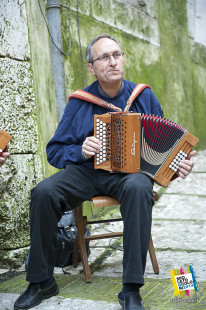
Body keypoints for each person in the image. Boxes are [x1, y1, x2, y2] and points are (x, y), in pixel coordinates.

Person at [14, 34, 196, 310]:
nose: (113, 62)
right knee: (43, 192)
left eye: (117, 55)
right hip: (86, 172)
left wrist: (177, 165)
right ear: (91, 66)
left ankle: (131, 288)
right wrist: (80, 151)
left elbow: (165, 148)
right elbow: (55, 151)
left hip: (128, 176)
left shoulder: (143, 96)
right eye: (104, 57)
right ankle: (41, 281)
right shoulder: (80, 102)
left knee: (139, 187)